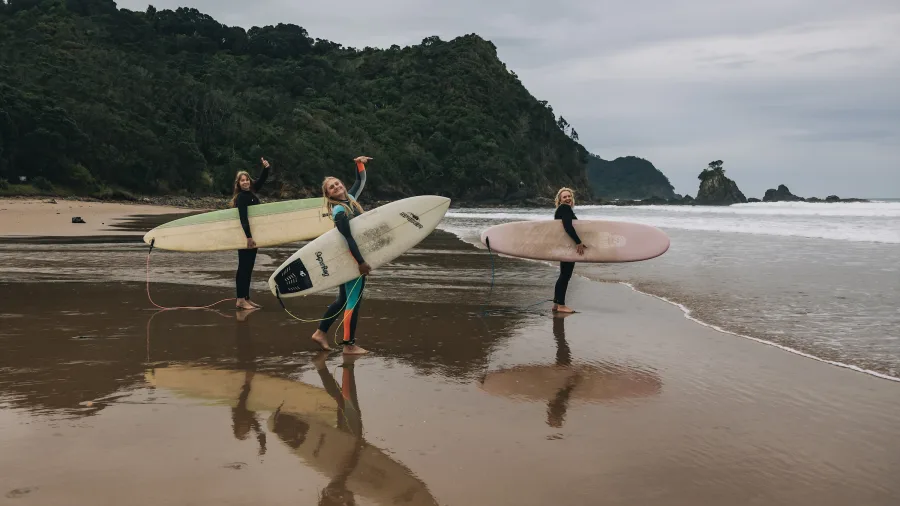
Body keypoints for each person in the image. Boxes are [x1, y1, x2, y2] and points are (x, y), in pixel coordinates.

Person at [310, 156, 372, 354]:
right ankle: (349, 345)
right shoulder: (339, 211)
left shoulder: (350, 200)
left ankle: (320, 333)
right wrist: (361, 263)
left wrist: (358, 163)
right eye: (331, 187)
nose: (336, 187)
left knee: (343, 300)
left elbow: (360, 181)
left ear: (342, 185)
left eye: (337, 183)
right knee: (352, 301)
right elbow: (348, 239)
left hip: (348, 258)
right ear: (328, 194)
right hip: (350, 259)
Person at [231, 157, 270, 310]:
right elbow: (243, 218)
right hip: (246, 237)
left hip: (253, 237)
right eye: (242, 181)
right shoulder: (241, 197)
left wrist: (266, 168)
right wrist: (248, 237)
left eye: (247, 179)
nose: (246, 182)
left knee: (249, 268)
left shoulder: (251, 193)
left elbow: (261, 180)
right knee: (243, 268)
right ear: (238, 184)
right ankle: (240, 299)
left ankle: (246, 298)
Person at [552, 187, 586, 313]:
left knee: (563, 275)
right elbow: (568, 226)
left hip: (564, 246)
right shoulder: (565, 208)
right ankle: (561, 305)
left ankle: (556, 304)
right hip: (568, 247)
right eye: (564, 197)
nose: (567, 198)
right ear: (560, 200)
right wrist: (578, 242)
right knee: (565, 275)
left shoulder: (560, 210)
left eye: (569, 196)